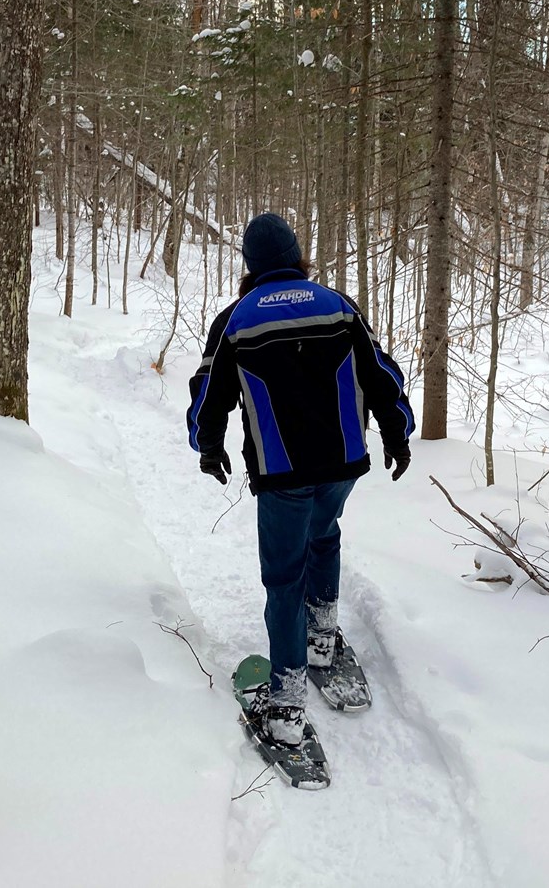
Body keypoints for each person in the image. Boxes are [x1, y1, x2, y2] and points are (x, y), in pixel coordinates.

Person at [186, 212, 414, 748]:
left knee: (283, 579)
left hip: (281, 475)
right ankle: (321, 640)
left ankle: (287, 705)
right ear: (297, 255)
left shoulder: (236, 319)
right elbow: (382, 375)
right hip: (343, 466)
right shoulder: (339, 306)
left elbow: (207, 392)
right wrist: (397, 434)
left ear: (250, 265)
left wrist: (208, 445)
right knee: (325, 535)